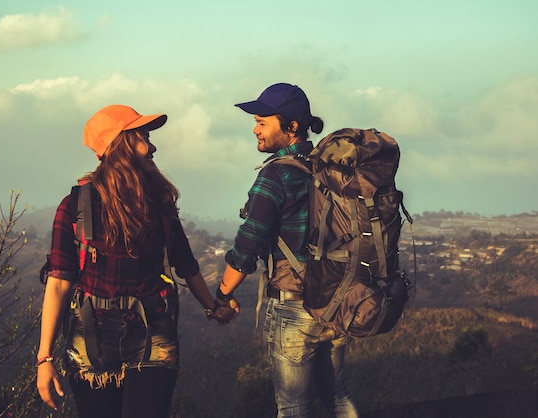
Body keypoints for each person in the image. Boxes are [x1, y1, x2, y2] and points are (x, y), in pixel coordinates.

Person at [36, 104, 239, 418]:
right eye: (143, 136)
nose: (152, 145)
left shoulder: (159, 201)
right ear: (120, 146)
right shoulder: (76, 205)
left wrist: (213, 307)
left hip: (152, 331)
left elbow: (186, 264)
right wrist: (44, 358)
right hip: (92, 339)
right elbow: (59, 281)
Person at [215, 83, 359, 417]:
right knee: (337, 395)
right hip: (337, 300)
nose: (255, 129)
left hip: (294, 307)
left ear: (291, 127)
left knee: (293, 405)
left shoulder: (276, 175)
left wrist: (222, 294)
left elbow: (248, 243)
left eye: (263, 122)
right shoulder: (330, 169)